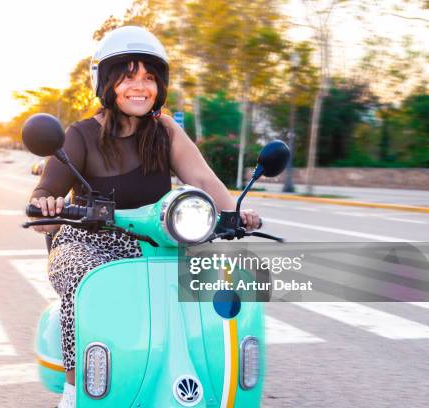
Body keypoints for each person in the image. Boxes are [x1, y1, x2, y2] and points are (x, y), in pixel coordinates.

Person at [29, 25, 261, 408]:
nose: (140, 86)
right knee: (82, 279)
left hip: (158, 243)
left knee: (223, 281)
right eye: (128, 76)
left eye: (149, 77)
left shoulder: (164, 131)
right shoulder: (80, 135)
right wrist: (49, 208)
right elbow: (44, 194)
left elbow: (201, 177)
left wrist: (236, 213)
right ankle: (75, 390)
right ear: (107, 83)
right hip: (88, 241)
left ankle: (217, 377)